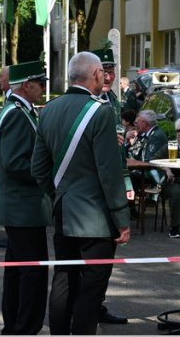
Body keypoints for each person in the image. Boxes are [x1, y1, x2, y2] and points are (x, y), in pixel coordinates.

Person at [31, 51, 130, 335]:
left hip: (63, 209)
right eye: (102, 72)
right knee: (93, 284)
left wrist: (58, 194)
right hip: (96, 216)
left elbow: (38, 167)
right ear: (96, 74)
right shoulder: (101, 111)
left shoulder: (49, 109)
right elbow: (109, 172)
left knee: (64, 277)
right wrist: (122, 218)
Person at [0, 60, 52, 335]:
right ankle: (24, 327)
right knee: (32, 272)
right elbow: (15, 162)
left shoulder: (18, 109)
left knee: (17, 270)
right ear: (27, 85)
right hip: (23, 206)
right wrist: (48, 173)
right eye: (41, 83)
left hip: (21, 205)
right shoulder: (16, 113)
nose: (43, 88)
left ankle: (15, 326)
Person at [91, 48, 133, 325]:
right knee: (91, 258)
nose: (108, 76)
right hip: (92, 189)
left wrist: (126, 181)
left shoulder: (113, 100)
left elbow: (118, 152)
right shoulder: (89, 101)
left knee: (106, 256)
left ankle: (97, 304)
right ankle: (84, 310)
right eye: (103, 71)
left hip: (113, 181)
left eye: (111, 71)